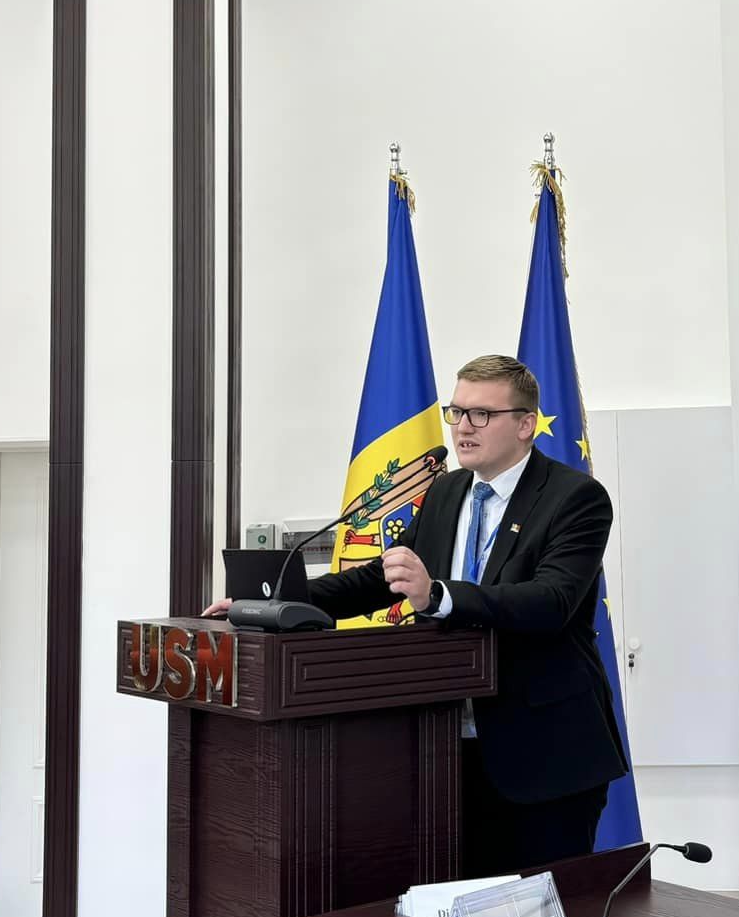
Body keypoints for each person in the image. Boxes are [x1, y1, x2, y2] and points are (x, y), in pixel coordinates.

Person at [206, 354, 626, 872]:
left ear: (525, 425)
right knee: (452, 906)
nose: (463, 427)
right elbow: (382, 578)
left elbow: (552, 601)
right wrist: (274, 603)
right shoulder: (447, 491)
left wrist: (440, 596)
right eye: (457, 412)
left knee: (540, 911)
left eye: (481, 414)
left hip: (544, 754)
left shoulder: (575, 498)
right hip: (444, 747)